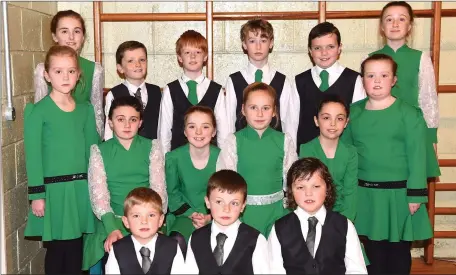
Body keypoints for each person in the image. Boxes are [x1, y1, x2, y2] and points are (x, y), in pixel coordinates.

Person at [342, 54, 432, 274]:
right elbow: (347, 155)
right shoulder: (353, 113)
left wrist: (415, 195)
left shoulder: (410, 114)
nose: (377, 81)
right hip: (366, 196)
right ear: (362, 80)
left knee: (399, 252)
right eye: (371, 75)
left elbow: (418, 156)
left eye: (384, 75)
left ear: (394, 80)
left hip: (399, 197)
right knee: (372, 252)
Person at [24, 45, 100, 274]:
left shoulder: (86, 110)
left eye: (70, 71)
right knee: (58, 249)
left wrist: (96, 190)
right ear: (47, 75)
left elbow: (93, 153)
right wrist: (37, 195)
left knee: (76, 248)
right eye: (58, 71)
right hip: (53, 193)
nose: (65, 77)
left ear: (78, 75)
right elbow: (33, 156)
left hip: (80, 190)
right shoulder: (37, 111)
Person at [83, 96, 167, 271]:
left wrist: (152, 220)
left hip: (146, 218)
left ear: (140, 122)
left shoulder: (152, 147)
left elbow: (158, 190)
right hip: (111, 219)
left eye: (133, 119)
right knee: (111, 255)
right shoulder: (99, 150)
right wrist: (112, 229)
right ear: (111, 122)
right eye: (120, 119)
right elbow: (99, 196)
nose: (127, 125)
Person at [217, 82, 298, 237]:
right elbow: (225, 182)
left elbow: (293, 180)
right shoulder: (234, 141)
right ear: (243, 110)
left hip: (277, 214)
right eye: (253, 107)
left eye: (266, 108)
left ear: (274, 111)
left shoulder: (284, 140)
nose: (259, 114)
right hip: (243, 215)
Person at [370, 0, 440, 178]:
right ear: (381, 27)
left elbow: (428, 98)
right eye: (389, 19)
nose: (395, 24)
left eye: (401, 19)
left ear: (410, 26)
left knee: (411, 183)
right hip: (379, 130)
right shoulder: (370, 59)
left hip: (411, 130)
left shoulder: (421, 58)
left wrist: (431, 137)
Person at [268, 157, 367, 274]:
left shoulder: (344, 226)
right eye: (300, 187)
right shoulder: (280, 228)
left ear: (327, 189)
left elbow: (356, 271)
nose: (308, 193)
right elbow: (274, 270)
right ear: (290, 191)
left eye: (316, 186)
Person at [291, 22, 366, 151]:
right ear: (310, 51)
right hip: (307, 157)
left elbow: (358, 123)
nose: (324, 53)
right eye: (317, 48)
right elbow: (291, 124)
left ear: (339, 48)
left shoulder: (354, 80)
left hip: (343, 155)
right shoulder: (299, 81)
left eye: (330, 46)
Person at [34, 10, 104, 137]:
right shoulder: (42, 69)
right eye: (64, 31)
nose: (71, 37)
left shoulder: (95, 70)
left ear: (83, 37)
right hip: (53, 139)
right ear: (55, 36)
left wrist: (96, 149)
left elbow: (97, 113)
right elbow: (39, 109)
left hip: (83, 139)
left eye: (77, 31)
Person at [185, 170, 270, 274]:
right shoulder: (196, 238)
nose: (226, 209)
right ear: (207, 202)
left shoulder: (256, 240)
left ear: (243, 206)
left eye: (234, 203)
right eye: (219, 202)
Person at [158, 30, 228, 153]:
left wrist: (224, 160)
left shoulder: (217, 90)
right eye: (187, 52)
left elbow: (223, 131)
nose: (193, 56)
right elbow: (164, 131)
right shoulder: (170, 90)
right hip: (178, 158)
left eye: (198, 52)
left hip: (209, 158)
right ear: (180, 57)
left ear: (205, 56)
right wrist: (165, 161)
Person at [224, 19, 294, 136]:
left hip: (274, 148)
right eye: (252, 41)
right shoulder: (233, 81)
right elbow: (229, 123)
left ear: (271, 43)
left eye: (263, 40)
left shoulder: (282, 81)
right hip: (242, 148)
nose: (258, 46)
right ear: (244, 44)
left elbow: (288, 122)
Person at [166, 106, 220, 254]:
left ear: (214, 131)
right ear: (185, 131)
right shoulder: (173, 158)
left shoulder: (222, 157)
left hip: (217, 216)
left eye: (205, 127)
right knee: (177, 242)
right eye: (192, 126)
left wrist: (209, 217)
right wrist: (192, 214)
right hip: (185, 215)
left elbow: (227, 194)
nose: (198, 132)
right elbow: (172, 194)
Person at [299, 95, 358, 221]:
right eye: (326, 118)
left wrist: (346, 224)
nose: (333, 124)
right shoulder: (306, 149)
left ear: (346, 122)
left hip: (342, 216)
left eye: (339, 118)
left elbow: (350, 192)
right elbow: (306, 191)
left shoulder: (350, 152)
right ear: (316, 120)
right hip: (313, 215)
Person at [105, 187, 185, 274]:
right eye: (136, 216)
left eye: (151, 215)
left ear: (161, 220)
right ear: (126, 222)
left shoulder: (172, 247)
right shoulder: (117, 250)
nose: (144, 221)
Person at [104, 41, 162, 141]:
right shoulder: (114, 94)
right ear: (120, 68)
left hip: (152, 151)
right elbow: (108, 132)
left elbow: (163, 127)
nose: (138, 64)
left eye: (142, 60)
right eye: (131, 61)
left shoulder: (157, 92)